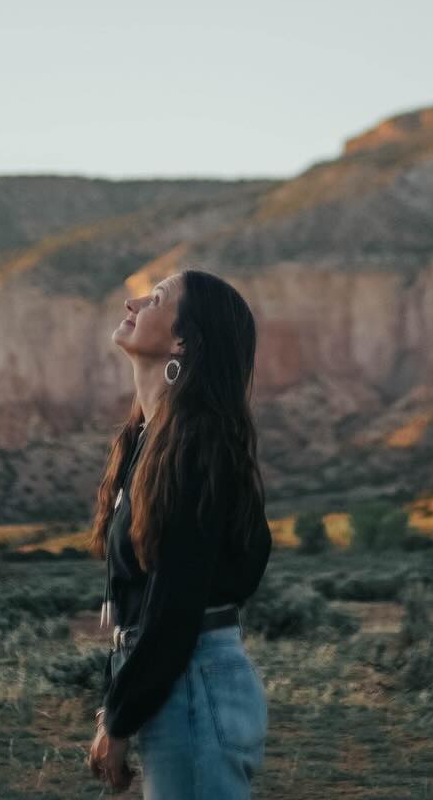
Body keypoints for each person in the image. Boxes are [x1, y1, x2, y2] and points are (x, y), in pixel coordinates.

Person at [86, 268, 272, 797]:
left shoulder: (198, 446)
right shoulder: (149, 440)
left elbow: (175, 604)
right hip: (173, 683)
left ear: (182, 340)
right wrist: (118, 705)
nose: (132, 302)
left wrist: (121, 720)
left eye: (156, 298)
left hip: (192, 686)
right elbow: (138, 597)